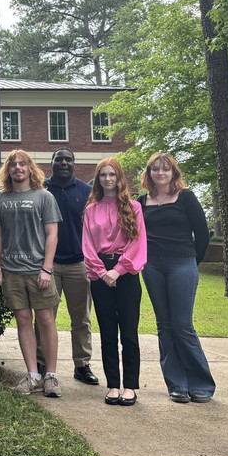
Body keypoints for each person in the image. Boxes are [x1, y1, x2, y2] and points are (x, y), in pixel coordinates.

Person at [138, 152, 215, 404]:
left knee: (182, 325)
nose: (160, 173)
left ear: (173, 173)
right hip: (153, 268)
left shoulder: (186, 197)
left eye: (165, 169)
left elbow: (202, 234)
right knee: (165, 325)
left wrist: (193, 262)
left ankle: (201, 383)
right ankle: (177, 384)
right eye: (155, 169)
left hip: (182, 263)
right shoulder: (141, 202)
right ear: (149, 174)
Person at [0, 149, 63, 397]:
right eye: (13, 165)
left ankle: (51, 375)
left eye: (22, 164)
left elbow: (52, 234)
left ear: (30, 169)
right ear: (7, 171)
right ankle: (32, 375)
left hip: (38, 270)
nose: (18, 168)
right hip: (11, 270)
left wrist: (47, 268)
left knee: (45, 320)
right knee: (22, 320)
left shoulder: (44, 197)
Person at [82, 157, 147, 406]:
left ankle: (130, 385)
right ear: (97, 180)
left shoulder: (134, 208)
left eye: (112, 175)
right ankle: (112, 385)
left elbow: (138, 244)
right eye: (103, 175)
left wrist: (118, 271)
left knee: (129, 332)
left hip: (126, 273)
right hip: (100, 275)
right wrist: (101, 273)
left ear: (119, 178)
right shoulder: (91, 210)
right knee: (108, 332)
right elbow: (87, 246)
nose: (107, 179)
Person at [39, 148, 99, 386]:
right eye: (59, 159)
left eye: (68, 160)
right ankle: (41, 362)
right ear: (51, 163)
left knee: (81, 318)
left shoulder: (87, 192)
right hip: (48, 264)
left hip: (78, 263)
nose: (64, 163)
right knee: (45, 317)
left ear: (74, 164)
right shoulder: (40, 189)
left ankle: (82, 365)